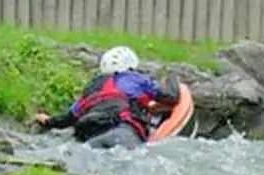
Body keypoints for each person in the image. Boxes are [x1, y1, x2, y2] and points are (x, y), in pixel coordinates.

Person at [32, 45, 180, 150]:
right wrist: (172, 76)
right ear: (130, 66)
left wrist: (46, 120)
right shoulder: (134, 78)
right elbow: (172, 96)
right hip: (122, 133)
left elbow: (66, 119)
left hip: (88, 139)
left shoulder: (91, 88)